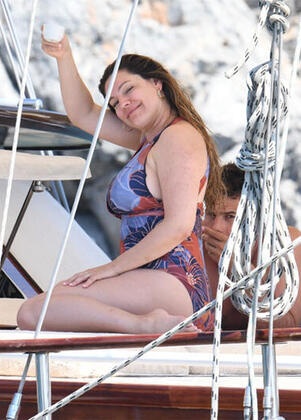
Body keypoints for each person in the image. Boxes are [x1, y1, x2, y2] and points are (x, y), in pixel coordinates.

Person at [16, 30, 224, 334]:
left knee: (35, 312)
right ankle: (142, 324)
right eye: (114, 103)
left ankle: (145, 325)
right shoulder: (149, 140)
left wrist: (111, 269)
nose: (123, 103)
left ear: (157, 84)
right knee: (47, 307)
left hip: (174, 279)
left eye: (129, 90)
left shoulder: (178, 138)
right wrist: (63, 56)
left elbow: (179, 225)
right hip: (149, 278)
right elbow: (84, 114)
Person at [202, 162, 301, 329]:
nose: (216, 227)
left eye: (230, 216)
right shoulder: (196, 247)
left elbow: (287, 326)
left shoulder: (284, 244)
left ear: (256, 218)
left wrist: (238, 270)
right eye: (211, 215)